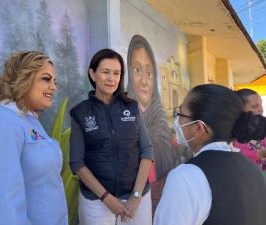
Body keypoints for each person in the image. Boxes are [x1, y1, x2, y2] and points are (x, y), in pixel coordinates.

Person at [0, 51, 68, 225]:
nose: (54, 87)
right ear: (24, 79)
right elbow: (4, 202)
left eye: (54, 81)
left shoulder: (29, 120)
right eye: (46, 79)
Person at [153, 84, 266, 225]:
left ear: (198, 128)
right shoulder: (252, 168)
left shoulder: (186, 177)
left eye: (180, 114)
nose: (177, 122)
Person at [69, 49, 153, 225]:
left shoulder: (132, 107)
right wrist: (106, 197)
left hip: (137, 197)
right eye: (105, 72)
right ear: (92, 74)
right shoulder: (80, 113)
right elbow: (77, 162)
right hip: (96, 201)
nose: (111, 78)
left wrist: (136, 195)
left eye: (116, 73)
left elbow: (146, 149)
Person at [127, 35, 173, 183]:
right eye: (137, 70)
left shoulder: (158, 113)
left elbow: (164, 153)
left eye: (149, 73)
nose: (144, 81)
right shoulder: (122, 110)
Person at [233, 88, 266, 171]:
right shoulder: (231, 135)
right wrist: (259, 154)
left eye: (261, 104)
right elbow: (231, 160)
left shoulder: (263, 130)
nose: (261, 109)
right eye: (255, 106)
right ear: (240, 109)